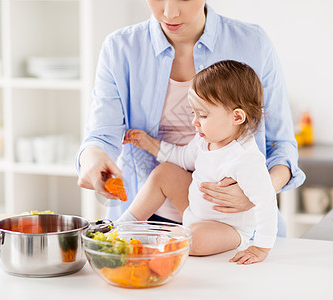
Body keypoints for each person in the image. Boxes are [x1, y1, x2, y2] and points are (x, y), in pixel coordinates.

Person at [76, 0, 305, 235]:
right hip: (143, 227)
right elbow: (101, 136)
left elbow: (281, 145)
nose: (169, 13)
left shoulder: (253, 43)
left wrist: (259, 192)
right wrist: (92, 159)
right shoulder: (120, 48)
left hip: (236, 226)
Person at [119, 60, 276, 264]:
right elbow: (183, 157)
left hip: (227, 229)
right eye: (193, 113)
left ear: (237, 117)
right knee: (164, 172)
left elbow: (266, 201)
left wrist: (261, 247)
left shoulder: (245, 157)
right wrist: (150, 144)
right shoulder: (205, 139)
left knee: (194, 239)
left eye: (203, 115)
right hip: (194, 211)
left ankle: (156, 243)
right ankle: (123, 227)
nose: (194, 121)